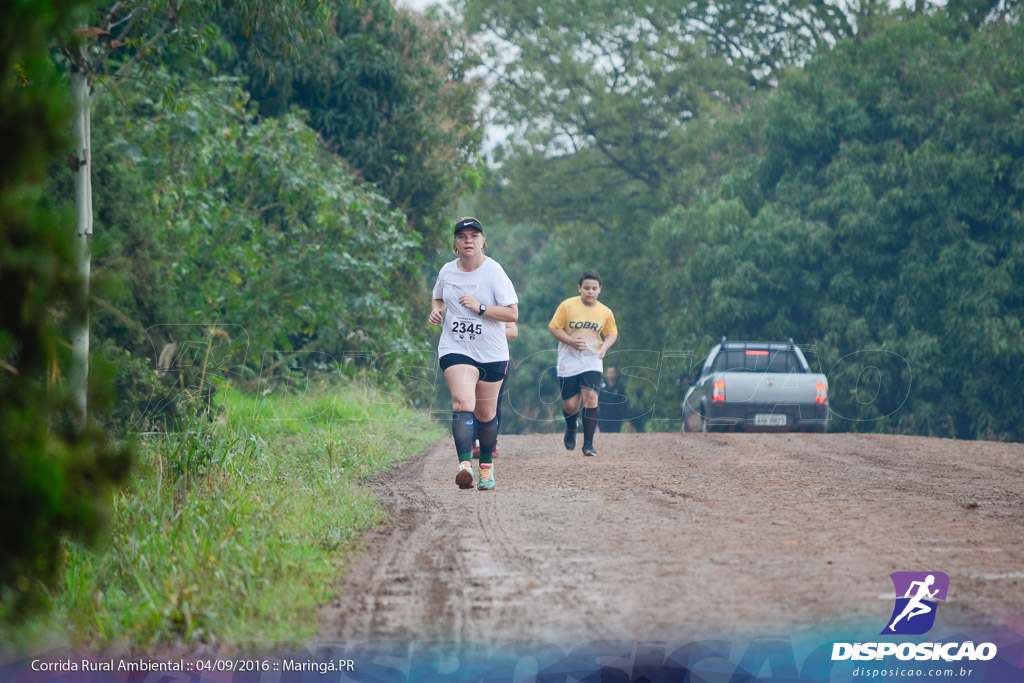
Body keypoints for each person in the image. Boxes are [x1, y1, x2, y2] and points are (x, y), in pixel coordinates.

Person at [429, 217, 519, 490]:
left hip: (491, 352)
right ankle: (464, 466)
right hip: (456, 347)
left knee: (486, 414)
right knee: (462, 402)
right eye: (462, 236)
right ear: (455, 243)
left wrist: (480, 308)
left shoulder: (494, 272)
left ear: (483, 242)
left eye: (474, 236)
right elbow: (437, 296)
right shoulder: (446, 271)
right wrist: (436, 310)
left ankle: (486, 470)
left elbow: (512, 313)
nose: (468, 240)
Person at [548, 270, 617, 456]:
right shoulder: (567, 306)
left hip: (592, 359)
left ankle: (588, 444)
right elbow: (554, 327)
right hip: (568, 358)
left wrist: (604, 348)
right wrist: (570, 341)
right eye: (586, 288)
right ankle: (571, 426)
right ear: (579, 288)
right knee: (571, 405)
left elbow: (612, 333)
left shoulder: (605, 311)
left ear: (600, 290)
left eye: (594, 288)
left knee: (591, 398)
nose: (590, 292)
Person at [473, 322, 518, 459]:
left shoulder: (496, 305)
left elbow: (513, 331)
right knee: (468, 400)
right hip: (467, 357)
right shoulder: (463, 303)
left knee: (492, 403)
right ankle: (474, 441)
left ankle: (491, 442)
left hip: (494, 358)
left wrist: (486, 332)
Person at [597, 365, 630, 433]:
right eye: (609, 372)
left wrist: (628, 419)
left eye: (613, 372)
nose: (611, 374)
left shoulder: (620, 387)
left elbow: (625, 404)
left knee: (615, 437)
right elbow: (595, 401)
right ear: (606, 373)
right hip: (603, 418)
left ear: (616, 373)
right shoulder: (601, 386)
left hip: (616, 418)